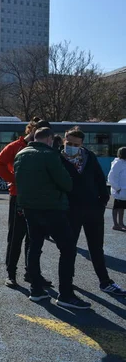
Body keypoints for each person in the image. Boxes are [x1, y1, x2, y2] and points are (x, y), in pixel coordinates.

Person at [14, 127, 91, 309]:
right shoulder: (50, 156)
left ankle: (36, 290)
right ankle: (65, 293)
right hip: (52, 208)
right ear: (49, 139)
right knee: (67, 248)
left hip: (29, 208)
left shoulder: (21, 154)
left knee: (34, 247)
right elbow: (65, 183)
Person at [60, 127, 126, 296]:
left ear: (82, 144)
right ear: (64, 140)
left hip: (93, 210)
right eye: (69, 143)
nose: (72, 146)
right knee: (68, 248)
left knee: (96, 248)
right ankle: (67, 282)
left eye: (76, 144)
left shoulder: (89, 157)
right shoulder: (57, 158)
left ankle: (105, 282)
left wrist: (101, 203)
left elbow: (99, 179)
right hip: (69, 212)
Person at [0, 117, 52, 288]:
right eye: (41, 132)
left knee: (35, 238)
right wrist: (15, 179)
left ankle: (31, 273)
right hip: (19, 196)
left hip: (39, 198)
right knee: (16, 237)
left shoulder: (45, 147)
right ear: (32, 130)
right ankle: (11, 274)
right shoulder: (15, 147)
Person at [108, 147, 126, 232]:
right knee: (117, 207)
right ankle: (115, 224)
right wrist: (117, 188)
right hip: (119, 190)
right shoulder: (118, 163)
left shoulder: (124, 162)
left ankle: (121, 223)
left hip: (123, 190)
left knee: (122, 207)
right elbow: (111, 177)